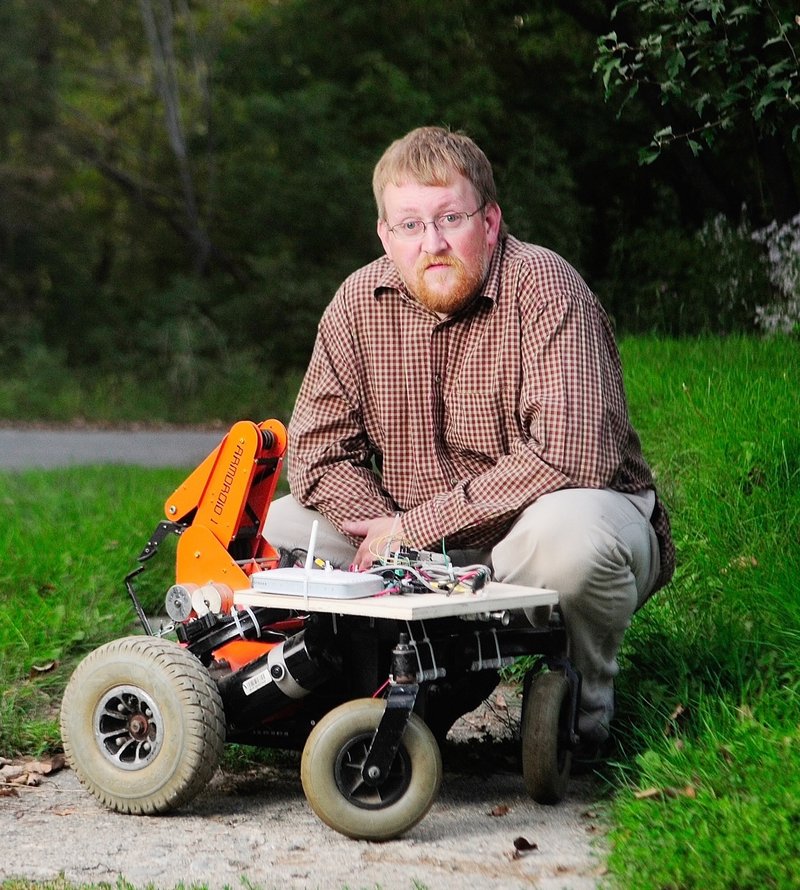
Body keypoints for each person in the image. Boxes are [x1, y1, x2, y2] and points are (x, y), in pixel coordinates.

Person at [262, 125, 674, 752]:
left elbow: (574, 455)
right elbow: (317, 455)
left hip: (535, 537)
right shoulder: (356, 304)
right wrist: (386, 532)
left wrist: (419, 528)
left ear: (489, 221)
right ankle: (345, 697)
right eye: (409, 225)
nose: (432, 243)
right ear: (385, 235)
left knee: (574, 535)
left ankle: (584, 710)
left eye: (450, 217)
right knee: (278, 530)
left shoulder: (544, 286)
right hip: (419, 551)